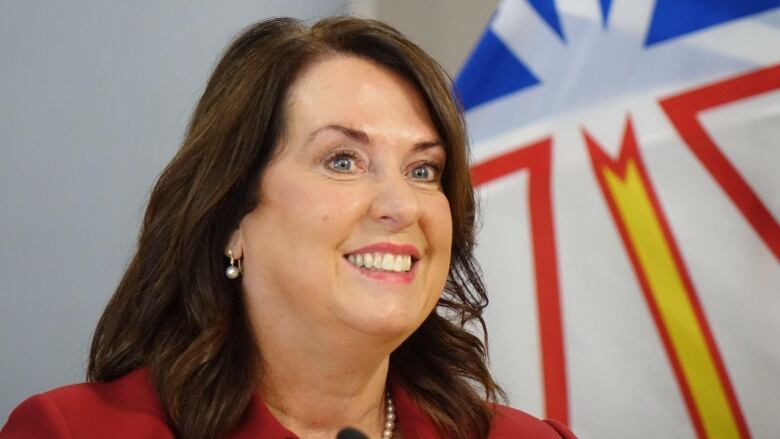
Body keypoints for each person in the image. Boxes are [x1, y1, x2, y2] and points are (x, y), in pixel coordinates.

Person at [1, 17, 576, 439]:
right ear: (232, 217)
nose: (400, 205)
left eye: (423, 170)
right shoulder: (72, 431)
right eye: (343, 161)